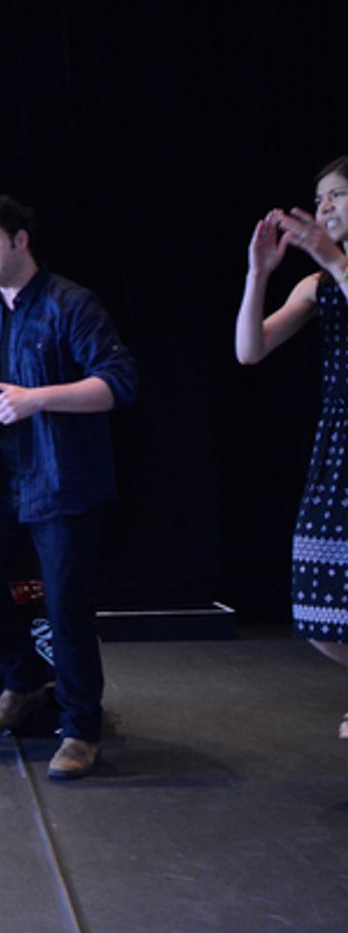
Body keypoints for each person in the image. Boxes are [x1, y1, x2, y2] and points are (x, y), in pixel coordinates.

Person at [0, 195, 136, 781]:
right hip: (1, 478)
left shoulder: (70, 303)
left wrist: (37, 398)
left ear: (20, 241)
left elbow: (117, 383)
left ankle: (80, 729)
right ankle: (24, 678)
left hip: (63, 482)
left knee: (67, 607)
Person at [235, 156, 348, 744]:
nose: (324, 208)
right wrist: (259, 275)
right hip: (338, 446)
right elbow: (249, 350)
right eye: (320, 199)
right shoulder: (318, 284)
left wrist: (332, 257)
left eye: (336, 197)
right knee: (319, 603)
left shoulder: (334, 269)